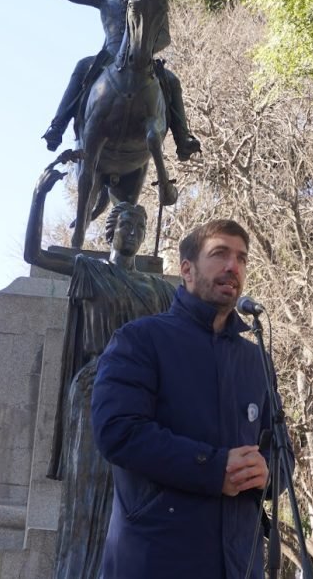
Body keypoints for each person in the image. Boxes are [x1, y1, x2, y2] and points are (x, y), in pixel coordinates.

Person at [24, 153, 176, 579]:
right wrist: (39, 198)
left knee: (131, 492)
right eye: (126, 225)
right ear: (111, 231)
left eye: (140, 228)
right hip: (95, 385)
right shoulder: (89, 269)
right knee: (88, 490)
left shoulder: (158, 290)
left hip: (141, 398)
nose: (134, 233)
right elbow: (33, 253)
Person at [92, 219, 272, 579]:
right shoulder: (140, 339)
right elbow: (117, 432)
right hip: (157, 559)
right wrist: (214, 468)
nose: (233, 266)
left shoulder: (256, 360)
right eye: (219, 254)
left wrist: (267, 473)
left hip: (240, 564)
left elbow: (280, 453)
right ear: (186, 270)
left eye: (241, 258)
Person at [25, 0, 201, 161]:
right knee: (82, 66)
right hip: (109, 56)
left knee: (171, 80)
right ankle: (58, 126)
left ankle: (182, 139)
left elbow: (164, 36)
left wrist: (144, 49)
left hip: (143, 58)